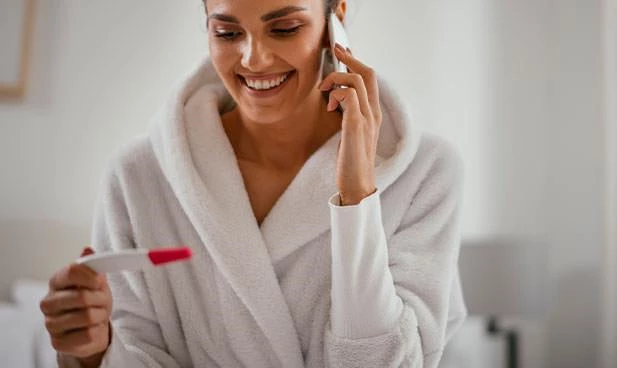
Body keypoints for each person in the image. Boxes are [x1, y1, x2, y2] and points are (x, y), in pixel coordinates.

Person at [39, 0, 467, 367]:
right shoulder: (140, 177)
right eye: (227, 33)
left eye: (284, 29)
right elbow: (138, 351)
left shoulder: (425, 172)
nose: (253, 59)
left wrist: (358, 199)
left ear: (335, 20)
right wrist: (96, 352)